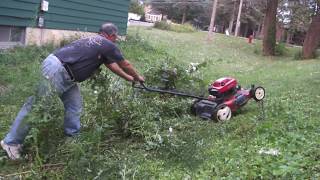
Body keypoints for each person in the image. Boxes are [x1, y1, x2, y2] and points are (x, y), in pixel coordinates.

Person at [1, 23, 145, 160]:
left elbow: (112, 66)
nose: (116, 41)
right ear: (112, 35)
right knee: (35, 107)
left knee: (75, 105)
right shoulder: (107, 44)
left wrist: (129, 78)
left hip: (67, 76)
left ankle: (72, 137)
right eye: (116, 38)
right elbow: (124, 64)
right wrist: (138, 77)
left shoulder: (96, 42)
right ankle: (11, 143)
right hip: (57, 70)